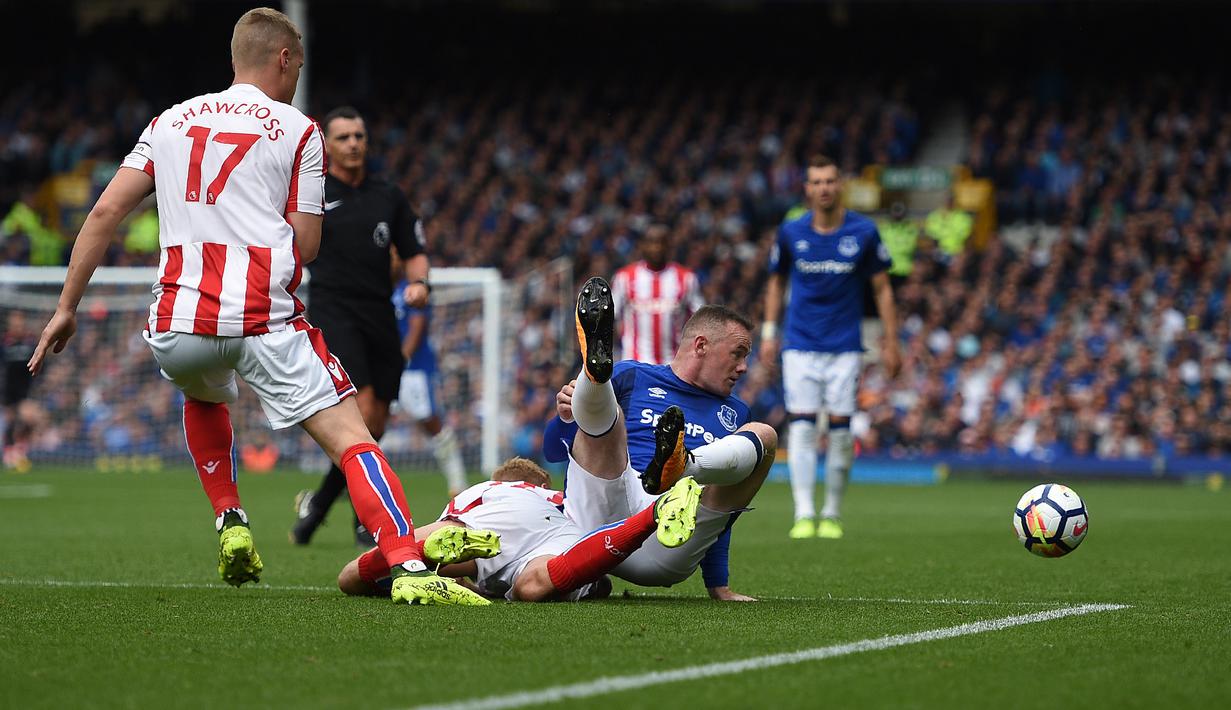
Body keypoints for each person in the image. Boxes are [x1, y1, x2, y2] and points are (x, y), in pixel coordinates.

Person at [26, 7, 484, 606]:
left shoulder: (170, 122)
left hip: (179, 321)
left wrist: (66, 307)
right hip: (264, 318)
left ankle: (230, 518)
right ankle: (406, 563)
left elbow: (106, 213)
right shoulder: (298, 129)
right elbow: (310, 245)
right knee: (354, 441)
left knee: (202, 391)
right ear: (285, 59)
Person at [543, 277, 778, 601]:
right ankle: (592, 373)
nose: (743, 367)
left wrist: (718, 584)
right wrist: (566, 418)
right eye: (738, 354)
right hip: (599, 517)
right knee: (608, 406)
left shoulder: (736, 413)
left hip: (668, 536)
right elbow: (554, 451)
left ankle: (683, 466)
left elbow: (724, 508)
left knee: (764, 436)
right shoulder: (633, 375)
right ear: (701, 345)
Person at [289, 106, 433, 546]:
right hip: (335, 312)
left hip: (380, 315)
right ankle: (365, 515)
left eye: (359, 135)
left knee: (377, 424)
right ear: (327, 146)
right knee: (365, 412)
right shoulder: (312, 194)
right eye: (343, 137)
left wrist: (420, 283)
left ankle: (321, 504)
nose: (353, 143)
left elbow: (414, 250)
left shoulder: (388, 194)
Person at [760, 154, 901, 540]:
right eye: (816, 181)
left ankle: (832, 514)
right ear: (807, 188)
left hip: (845, 347)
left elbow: (883, 288)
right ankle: (804, 513)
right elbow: (776, 282)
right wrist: (770, 332)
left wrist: (891, 342)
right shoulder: (791, 233)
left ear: (841, 185)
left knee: (841, 431)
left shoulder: (864, 231)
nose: (823, 188)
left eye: (829, 181)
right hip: (800, 344)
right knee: (802, 428)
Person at [338, 457, 703, 602]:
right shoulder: (556, 496)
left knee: (352, 578)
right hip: (553, 531)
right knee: (534, 586)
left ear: (502, 478)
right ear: (540, 484)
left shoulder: (483, 489)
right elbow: (604, 585)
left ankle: (433, 558)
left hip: (479, 521)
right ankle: (653, 515)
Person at [391, 278, 467, 496]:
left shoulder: (412, 288)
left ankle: (457, 481)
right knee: (370, 421)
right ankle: (353, 480)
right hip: (388, 366)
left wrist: (401, 360)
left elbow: (417, 326)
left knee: (430, 422)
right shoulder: (386, 285)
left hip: (413, 370)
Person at [610, 224, 704, 365]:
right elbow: (610, 316)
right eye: (652, 243)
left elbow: (702, 318)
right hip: (634, 364)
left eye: (662, 243)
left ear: (669, 246)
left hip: (673, 365)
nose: (657, 248)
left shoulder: (686, 279)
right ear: (642, 246)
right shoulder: (624, 278)